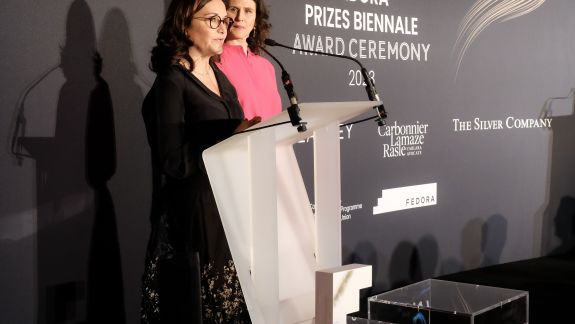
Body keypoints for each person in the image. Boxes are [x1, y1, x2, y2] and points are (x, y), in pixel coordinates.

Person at [140, 0, 259, 323]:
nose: (224, 26)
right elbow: (173, 161)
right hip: (192, 219)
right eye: (213, 19)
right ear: (183, 25)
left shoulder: (223, 80)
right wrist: (228, 135)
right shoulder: (171, 83)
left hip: (228, 212)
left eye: (225, 19)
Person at [217, 0, 282, 121]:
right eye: (233, 9)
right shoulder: (213, 59)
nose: (240, 17)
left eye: (248, 11)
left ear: (256, 20)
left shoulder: (267, 66)